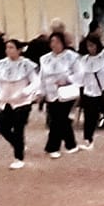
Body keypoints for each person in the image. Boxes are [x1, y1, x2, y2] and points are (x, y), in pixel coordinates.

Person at [0, 38, 38, 168]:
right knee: (3, 128)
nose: (8, 50)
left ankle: (19, 158)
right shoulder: (0, 64)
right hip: (5, 100)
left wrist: (26, 92)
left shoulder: (27, 64)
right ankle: (19, 144)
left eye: (11, 47)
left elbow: (35, 81)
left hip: (22, 102)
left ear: (18, 50)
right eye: (7, 48)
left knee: (18, 129)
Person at [40, 27, 83, 155]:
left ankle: (52, 147)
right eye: (52, 42)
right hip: (50, 92)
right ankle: (71, 144)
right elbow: (41, 76)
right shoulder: (45, 59)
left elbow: (80, 74)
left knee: (59, 119)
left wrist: (67, 79)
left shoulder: (72, 57)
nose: (54, 44)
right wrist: (41, 92)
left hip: (66, 92)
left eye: (57, 42)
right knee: (59, 119)